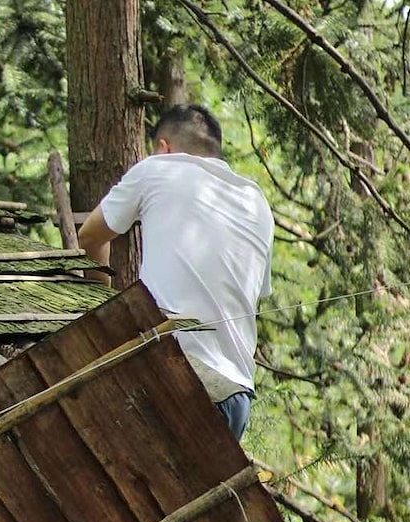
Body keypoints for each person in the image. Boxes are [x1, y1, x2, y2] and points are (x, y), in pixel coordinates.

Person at [77, 104, 274, 440]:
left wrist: (103, 302)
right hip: (236, 394)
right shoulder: (256, 201)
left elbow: (90, 236)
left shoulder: (156, 169)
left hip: (176, 375)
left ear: (164, 148)